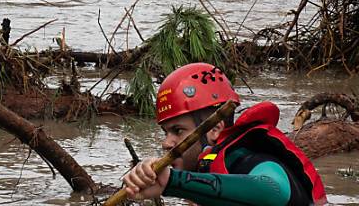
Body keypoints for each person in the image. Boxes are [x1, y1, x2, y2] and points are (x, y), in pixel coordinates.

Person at [122, 62, 327, 205]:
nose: (167, 143)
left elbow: (275, 191)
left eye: (178, 130)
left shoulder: (247, 159)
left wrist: (173, 181)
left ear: (214, 128)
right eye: (165, 132)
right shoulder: (207, 168)